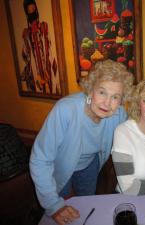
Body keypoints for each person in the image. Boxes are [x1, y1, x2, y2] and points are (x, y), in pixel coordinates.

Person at [29, 59, 133, 225]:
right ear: (90, 89)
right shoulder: (65, 110)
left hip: (89, 164)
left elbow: (135, 131)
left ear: (121, 101)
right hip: (58, 166)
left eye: (115, 97)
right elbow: (40, 159)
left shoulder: (118, 114)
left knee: (85, 209)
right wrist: (53, 205)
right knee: (58, 213)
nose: (107, 103)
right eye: (102, 92)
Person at [22, 0, 60, 94]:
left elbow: (49, 44)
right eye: (29, 9)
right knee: (38, 86)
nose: (31, 10)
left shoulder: (44, 26)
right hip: (35, 68)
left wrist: (48, 65)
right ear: (26, 12)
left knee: (51, 85)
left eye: (33, 8)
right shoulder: (26, 33)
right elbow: (26, 54)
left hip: (46, 63)